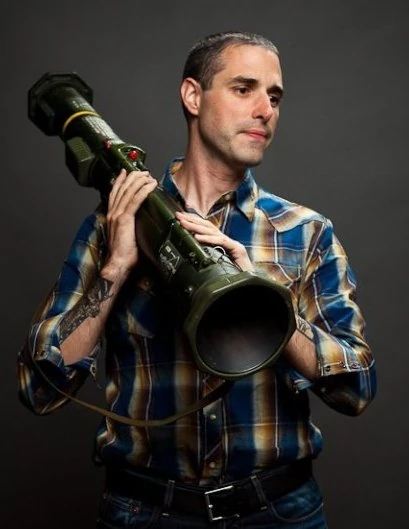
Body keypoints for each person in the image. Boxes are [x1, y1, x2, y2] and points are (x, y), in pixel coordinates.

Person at [17, 30, 376, 528]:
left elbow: (356, 389)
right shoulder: (114, 224)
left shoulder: (304, 232)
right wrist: (116, 268)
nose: (265, 110)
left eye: (275, 97)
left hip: (278, 512)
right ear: (193, 95)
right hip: (146, 513)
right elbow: (39, 389)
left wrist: (263, 301)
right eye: (244, 89)